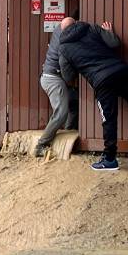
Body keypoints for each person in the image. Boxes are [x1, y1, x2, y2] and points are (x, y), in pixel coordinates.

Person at [58, 17, 128, 171]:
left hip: (102, 82)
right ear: (76, 22)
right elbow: (114, 43)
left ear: (62, 30)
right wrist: (109, 33)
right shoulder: (92, 28)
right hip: (121, 71)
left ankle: (110, 159)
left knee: (109, 119)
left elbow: (67, 76)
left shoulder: (64, 49)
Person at [33, 9, 79, 157]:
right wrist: (70, 81)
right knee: (61, 113)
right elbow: (63, 63)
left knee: (74, 103)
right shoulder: (66, 36)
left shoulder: (60, 28)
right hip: (53, 78)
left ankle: (68, 132)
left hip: (53, 76)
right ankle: (41, 145)